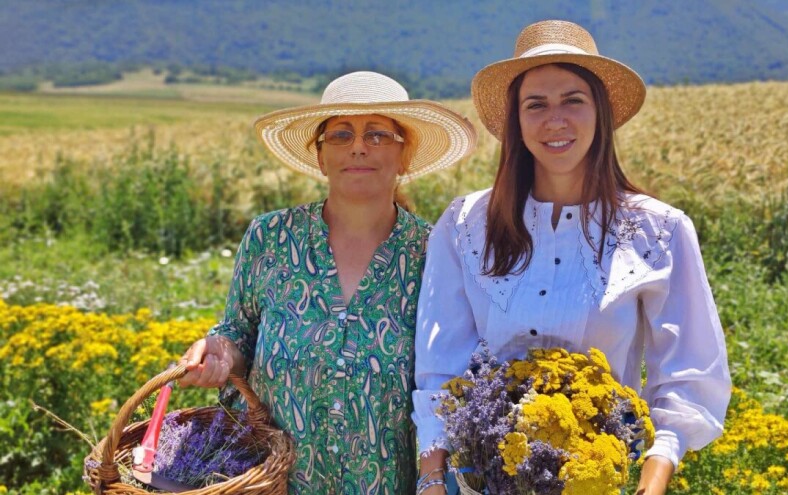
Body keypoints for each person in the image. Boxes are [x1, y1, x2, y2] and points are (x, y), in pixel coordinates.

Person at [413, 21, 731, 495]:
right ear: (516, 122)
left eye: (573, 100)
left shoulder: (659, 230)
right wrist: (432, 479)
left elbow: (689, 372)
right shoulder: (465, 224)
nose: (555, 120)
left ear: (600, 112)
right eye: (536, 104)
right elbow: (441, 364)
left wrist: (654, 474)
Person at [177, 71, 476, 494]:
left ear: (404, 155)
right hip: (273, 485)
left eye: (377, 134)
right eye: (340, 134)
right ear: (320, 157)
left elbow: (447, 379)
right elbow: (238, 334)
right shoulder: (270, 238)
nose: (358, 146)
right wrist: (220, 351)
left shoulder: (435, 252)